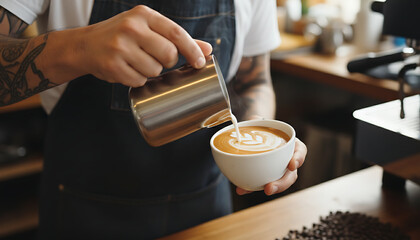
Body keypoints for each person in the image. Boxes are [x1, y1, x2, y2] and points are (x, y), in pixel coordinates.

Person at [0, 0, 307, 239]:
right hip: (82, 212)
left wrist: (262, 148)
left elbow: (253, 81)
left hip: (206, 212)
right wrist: (81, 48)